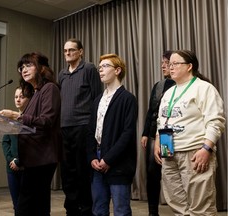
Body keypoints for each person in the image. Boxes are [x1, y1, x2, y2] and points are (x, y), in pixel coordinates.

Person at [154, 50, 225, 215]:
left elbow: (216, 121)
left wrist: (206, 149)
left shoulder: (204, 88)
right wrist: (158, 140)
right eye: (169, 64)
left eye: (175, 64)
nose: (170, 67)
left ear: (189, 66)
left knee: (201, 208)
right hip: (169, 152)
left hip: (194, 153)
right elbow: (161, 120)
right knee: (178, 206)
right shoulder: (169, 93)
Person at [0, 52, 62, 216]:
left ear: (41, 68)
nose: (23, 70)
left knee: (26, 208)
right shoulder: (35, 93)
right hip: (33, 158)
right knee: (37, 207)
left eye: (28, 65)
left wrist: (16, 116)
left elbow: (47, 121)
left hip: (42, 158)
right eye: (21, 67)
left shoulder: (50, 88)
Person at [87, 54, 138, 216]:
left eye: (105, 66)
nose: (101, 70)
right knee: (98, 209)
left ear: (117, 70)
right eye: (99, 67)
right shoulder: (97, 100)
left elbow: (127, 133)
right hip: (97, 159)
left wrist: (108, 159)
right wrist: (92, 157)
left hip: (119, 162)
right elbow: (91, 131)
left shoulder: (128, 98)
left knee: (121, 210)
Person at [58, 38, 102, 216]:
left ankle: (85, 210)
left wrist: (94, 127)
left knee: (82, 171)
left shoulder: (89, 69)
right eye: (65, 50)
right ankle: (71, 209)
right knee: (67, 172)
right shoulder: (61, 74)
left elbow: (97, 98)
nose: (68, 53)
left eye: (71, 50)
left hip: (83, 127)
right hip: (64, 128)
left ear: (81, 52)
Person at [140, 51, 175, 216]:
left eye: (166, 62)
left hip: (172, 134)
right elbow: (151, 111)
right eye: (162, 62)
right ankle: (152, 211)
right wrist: (145, 133)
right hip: (155, 135)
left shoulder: (182, 84)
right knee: (152, 174)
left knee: (171, 171)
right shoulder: (158, 85)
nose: (163, 66)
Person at [1, 86, 32, 215]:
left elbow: (32, 144)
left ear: (29, 99)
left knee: (27, 205)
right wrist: (11, 160)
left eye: (21, 96)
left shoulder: (32, 119)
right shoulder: (10, 120)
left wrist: (19, 161)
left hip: (27, 168)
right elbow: (5, 142)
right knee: (16, 205)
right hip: (11, 168)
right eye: (16, 97)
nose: (18, 99)